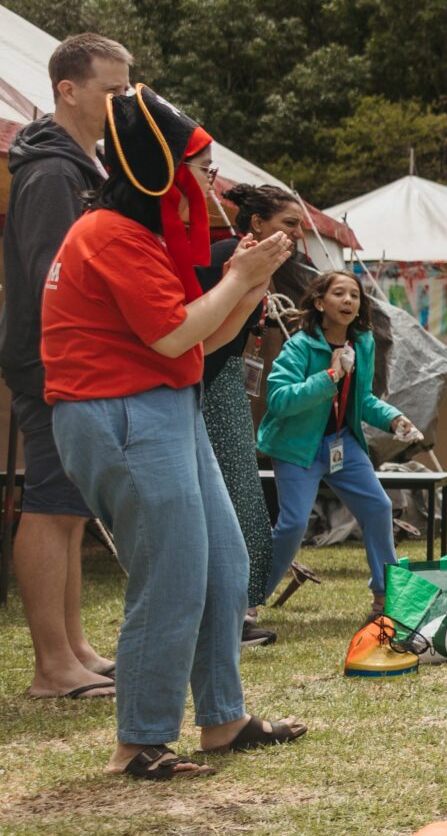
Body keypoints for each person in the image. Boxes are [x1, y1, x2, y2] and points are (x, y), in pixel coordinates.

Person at [42, 83, 301, 779]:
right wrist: (239, 276)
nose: (212, 184)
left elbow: (202, 338)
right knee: (174, 572)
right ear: (161, 172)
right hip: (119, 410)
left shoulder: (142, 235)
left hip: (161, 403)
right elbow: (173, 334)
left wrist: (251, 281)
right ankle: (140, 742)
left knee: (224, 563)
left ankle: (222, 719)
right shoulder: (111, 234)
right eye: (203, 168)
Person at [3, 32, 124, 700]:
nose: (122, 104)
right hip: (52, 361)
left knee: (71, 506)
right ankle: (52, 666)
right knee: (51, 505)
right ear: (68, 90)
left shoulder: (81, 166)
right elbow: (55, 276)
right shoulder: (52, 173)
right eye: (112, 91)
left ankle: (75, 648)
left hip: (73, 360)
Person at [257, 270, 418, 611]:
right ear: (319, 303)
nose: (348, 301)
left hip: (341, 443)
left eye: (355, 296)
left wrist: (393, 418)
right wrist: (330, 376)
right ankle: (249, 600)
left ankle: (385, 597)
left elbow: (363, 400)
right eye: (339, 294)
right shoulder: (299, 346)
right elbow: (280, 401)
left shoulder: (363, 343)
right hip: (296, 447)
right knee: (293, 524)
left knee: (378, 507)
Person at [200, 182, 308, 647]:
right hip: (206, 383)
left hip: (224, 381)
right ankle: (229, 614)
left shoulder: (262, 265)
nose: (297, 234)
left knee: (241, 494)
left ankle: (237, 612)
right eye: (289, 224)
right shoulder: (228, 256)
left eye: (300, 225)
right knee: (233, 497)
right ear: (258, 223)